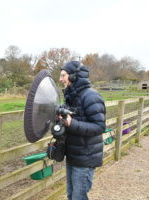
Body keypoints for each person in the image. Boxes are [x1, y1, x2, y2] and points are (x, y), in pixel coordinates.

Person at [59, 61, 106, 200]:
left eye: (63, 75)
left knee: (78, 196)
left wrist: (71, 123)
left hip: (85, 157)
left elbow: (99, 126)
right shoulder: (71, 96)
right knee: (71, 195)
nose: (60, 79)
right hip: (73, 155)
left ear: (74, 76)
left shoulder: (91, 96)